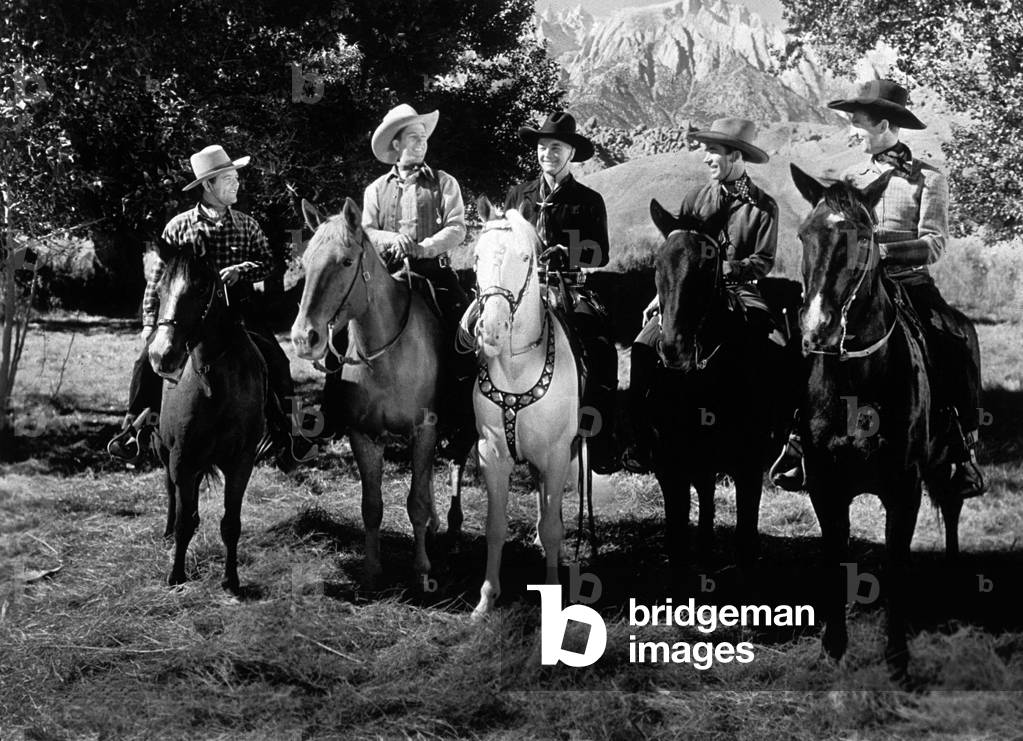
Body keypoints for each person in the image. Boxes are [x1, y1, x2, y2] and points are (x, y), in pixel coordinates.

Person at [769, 80, 985, 497]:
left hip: (908, 282)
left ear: (883, 125)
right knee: (805, 338)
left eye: (858, 124)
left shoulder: (929, 179)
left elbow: (934, 243)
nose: (853, 132)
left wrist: (881, 253)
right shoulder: (852, 177)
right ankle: (798, 435)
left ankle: (961, 447)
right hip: (856, 286)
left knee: (955, 335)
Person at [106, 145, 315, 469]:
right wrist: (149, 322)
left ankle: (292, 433)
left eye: (236, 178)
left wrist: (242, 270)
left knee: (278, 361)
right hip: (187, 318)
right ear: (208, 185)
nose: (237, 184)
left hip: (238, 315)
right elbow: (159, 280)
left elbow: (267, 263)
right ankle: (133, 432)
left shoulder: (247, 225)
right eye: (228, 179)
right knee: (145, 362)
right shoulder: (178, 227)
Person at [621, 117, 781, 474]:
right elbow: (677, 253)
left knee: (775, 346)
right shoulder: (696, 199)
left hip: (740, 289)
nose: (706, 158)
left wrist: (727, 270)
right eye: (705, 151)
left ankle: (776, 436)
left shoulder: (764, 206)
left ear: (735, 156)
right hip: (687, 291)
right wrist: (660, 296)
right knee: (644, 346)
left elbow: (764, 261)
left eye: (713, 151)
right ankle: (641, 438)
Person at [324, 104, 474, 447]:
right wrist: (393, 239)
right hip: (386, 274)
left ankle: (460, 417)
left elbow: (457, 227)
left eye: (424, 137)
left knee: (463, 331)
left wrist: (424, 247)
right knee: (340, 330)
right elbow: (366, 231)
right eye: (414, 137)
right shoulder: (376, 189)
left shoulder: (444, 182)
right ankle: (334, 412)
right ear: (396, 144)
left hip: (434, 273)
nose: (422, 143)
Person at [502, 111, 620, 474]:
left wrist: (568, 251)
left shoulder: (588, 200)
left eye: (556, 147)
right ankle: (477, 428)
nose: (547, 153)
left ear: (570, 153)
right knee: (477, 332)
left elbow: (601, 252)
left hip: (568, 286)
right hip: (520, 288)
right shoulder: (518, 195)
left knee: (600, 347)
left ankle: (599, 437)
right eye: (542, 147)